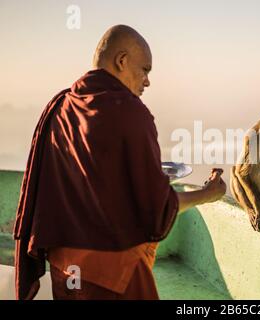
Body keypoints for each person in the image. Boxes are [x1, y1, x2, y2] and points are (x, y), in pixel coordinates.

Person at [13, 25, 226, 300]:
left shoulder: (61, 106)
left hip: (65, 269)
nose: (147, 81)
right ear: (122, 61)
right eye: (145, 70)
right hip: (113, 274)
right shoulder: (131, 113)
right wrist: (208, 194)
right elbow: (156, 211)